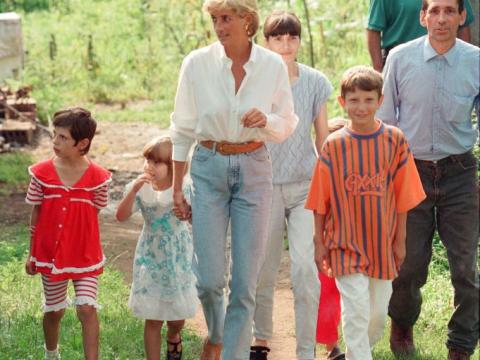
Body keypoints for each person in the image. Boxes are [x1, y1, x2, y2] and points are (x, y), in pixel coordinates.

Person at [169, 0, 298, 359]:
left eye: (227, 18)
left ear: (248, 20)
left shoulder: (272, 65)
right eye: (214, 19)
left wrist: (267, 121)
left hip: (255, 168)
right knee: (209, 281)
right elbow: (181, 128)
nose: (219, 26)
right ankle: (218, 335)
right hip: (208, 168)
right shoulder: (196, 64)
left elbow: (287, 121)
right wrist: (178, 188)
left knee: (244, 285)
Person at [377, 0, 479, 358]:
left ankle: (462, 343)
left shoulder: (475, 61)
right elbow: (386, 121)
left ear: (462, 16)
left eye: (449, 11)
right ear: (422, 16)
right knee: (409, 265)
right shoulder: (400, 58)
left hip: (460, 174)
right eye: (434, 11)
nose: (441, 19)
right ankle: (402, 323)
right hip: (411, 172)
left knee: (465, 266)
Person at [306, 66, 426, 360]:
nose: (361, 107)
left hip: (382, 243)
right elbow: (320, 199)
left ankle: (355, 352)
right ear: (342, 101)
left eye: (368, 99)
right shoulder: (333, 145)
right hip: (344, 243)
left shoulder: (394, 141)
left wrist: (400, 239)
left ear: (380, 100)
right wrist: (319, 241)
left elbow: (404, 196)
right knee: (357, 310)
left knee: (376, 313)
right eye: (354, 99)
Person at [249, 10, 338, 360]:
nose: (286, 45)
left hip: (306, 186)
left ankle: (306, 351)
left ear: (299, 41)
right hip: (265, 186)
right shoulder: (254, 80)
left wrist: (330, 188)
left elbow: (322, 138)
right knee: (264, 268)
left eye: (292, 38)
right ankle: (261, 339)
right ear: (266, 42)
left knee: (305, 269)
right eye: (277, 38)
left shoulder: (315, 82)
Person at [24, 108, 111, 360]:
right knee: (54, 311)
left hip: (84, 255)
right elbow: (36, 214)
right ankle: (52, 354)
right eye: (55, 135)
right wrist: (32, 254)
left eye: (62, 137)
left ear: (82, 143)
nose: (55, 142)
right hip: (50, 255)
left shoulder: (99, 178)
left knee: (86, 308)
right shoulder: (41, 174)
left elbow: (92, 214)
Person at [116, 136, 196, 360]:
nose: (148, 167)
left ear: (173, 166)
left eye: (156, 162)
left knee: (177, 316)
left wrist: (188, 213)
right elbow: (121, 216)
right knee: (152, 317)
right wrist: (133, 191)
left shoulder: (185, 188)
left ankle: (173, 335)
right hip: (150, 256)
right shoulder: (140, 188)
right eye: (147, 161)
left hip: (177, 255)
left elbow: (194, 220)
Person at [366, 0, 475, 71]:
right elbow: (373, 30)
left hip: (446, 59)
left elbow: (463, 26)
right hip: (400, 63)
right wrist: (379, 72)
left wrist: (463, 63)